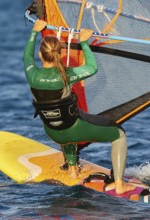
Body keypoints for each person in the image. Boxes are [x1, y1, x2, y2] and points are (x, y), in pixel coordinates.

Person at [23, 20, 136, 196]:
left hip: (53, 132)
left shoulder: (31, 74)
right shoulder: (66, 75)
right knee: (119, 135)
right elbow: (92, 68)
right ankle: (120, 184)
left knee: (63, 123)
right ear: (60, 54)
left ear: (40, 54)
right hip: (73, 129)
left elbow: (26, 57)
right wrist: (84, 41)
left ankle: (72, 169)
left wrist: (34, 32)